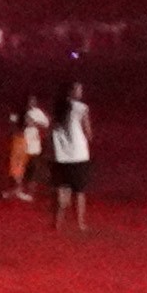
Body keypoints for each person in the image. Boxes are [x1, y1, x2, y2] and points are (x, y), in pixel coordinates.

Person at [49, 86, 94, 229]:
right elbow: (88, 132)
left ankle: (58, 222)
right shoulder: (81, 108)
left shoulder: (58, 108)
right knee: (79, 191)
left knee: (62, 189)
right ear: (72, 92)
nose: (81, 92)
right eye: (79, 89)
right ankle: (80, 223)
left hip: (61, 155)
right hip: (78, 154)